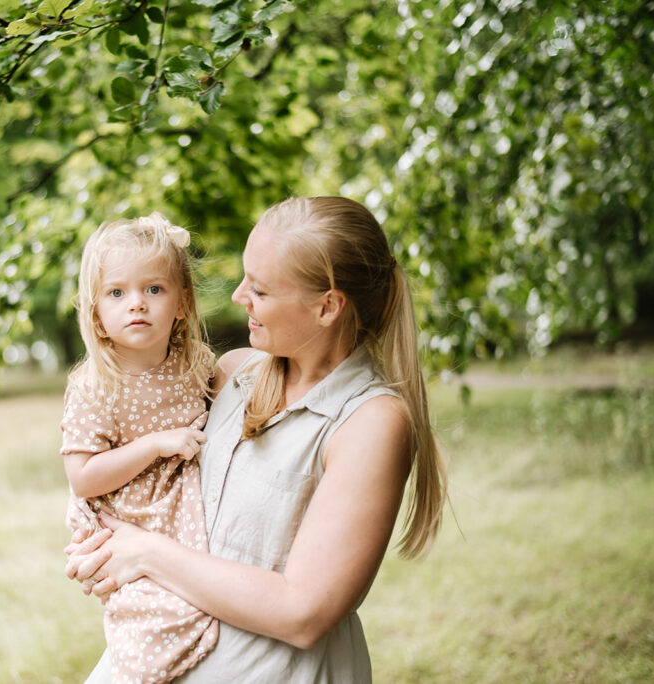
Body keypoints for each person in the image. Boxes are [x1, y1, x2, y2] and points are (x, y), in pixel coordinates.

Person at [65, 196, 447, 683]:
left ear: (327, 306)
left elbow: (303, 612)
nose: (238, 296)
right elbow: (135, 480)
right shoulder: (226, 375)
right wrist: (96, 541)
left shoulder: (369, 421)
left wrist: (143, 552)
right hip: (148, 659)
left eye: (261, 290)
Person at [60, 212, 219, 683]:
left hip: (177, 504)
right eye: (117, 292)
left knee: (200, 598)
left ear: (183, 302)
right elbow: (83, 477)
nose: (138, 304)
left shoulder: (195, 363)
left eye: (154, 289)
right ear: (96, 314)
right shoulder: (95, 386)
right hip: (124, 514)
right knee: (150, 627)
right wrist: (154, 445)